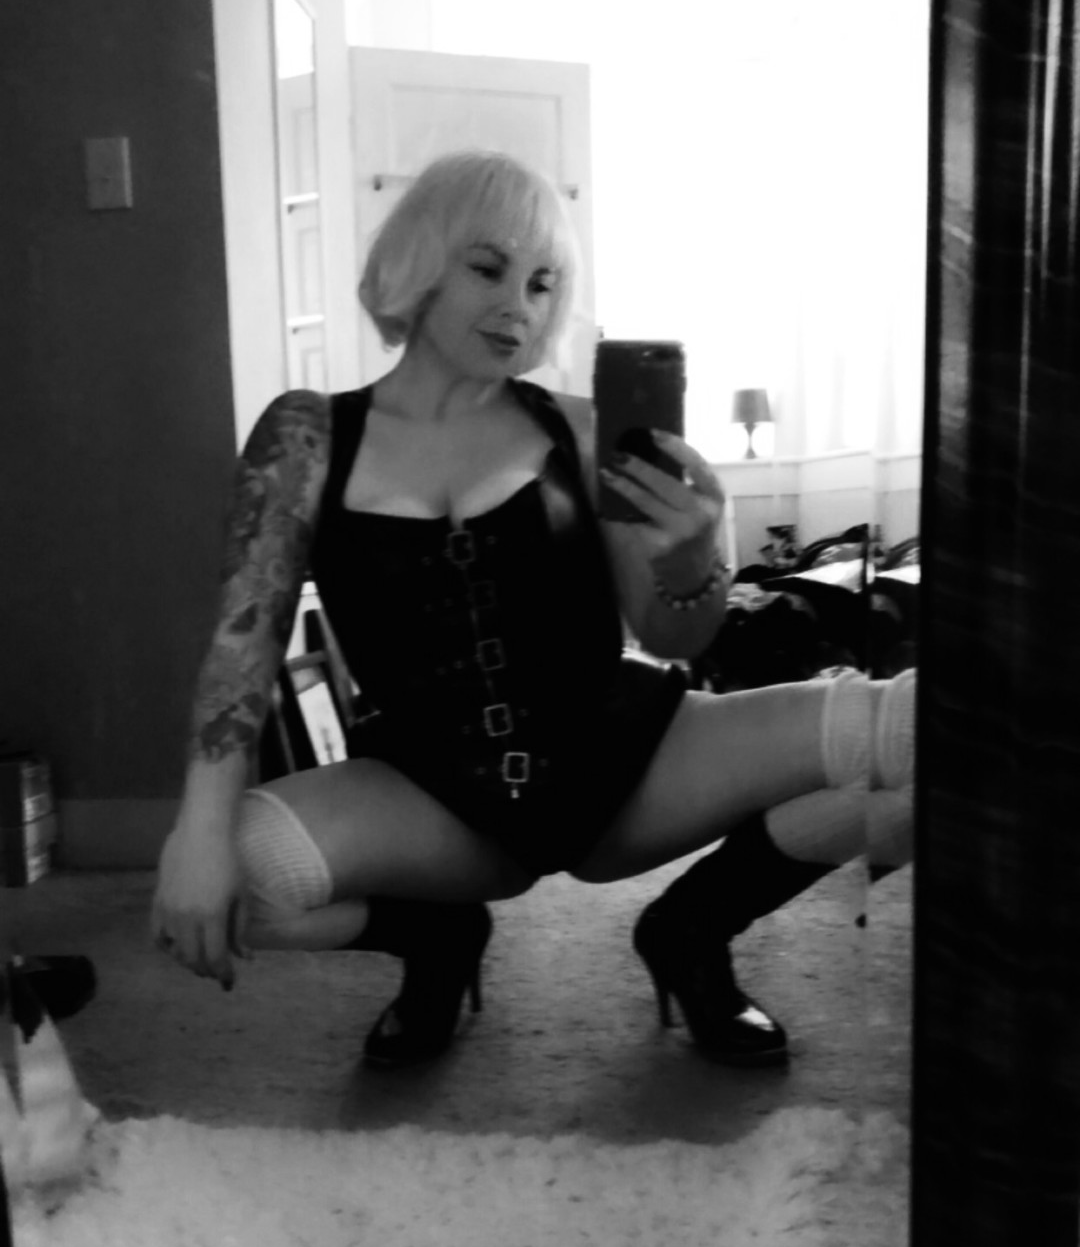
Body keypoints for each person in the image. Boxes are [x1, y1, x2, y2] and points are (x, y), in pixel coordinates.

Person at [152, 150, 915, 1068]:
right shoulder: (307, 436)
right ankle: (438, 936)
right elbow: (243, 644)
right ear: (419, 266)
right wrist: (198, 830)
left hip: (625, 756)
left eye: (543, 283)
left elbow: (673, 635)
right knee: (229, 876)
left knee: (923, 731)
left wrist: (690, 559)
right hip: (431, 798)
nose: (520, 305)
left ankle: (692, 929)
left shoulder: (582, 429)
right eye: (488, 268)